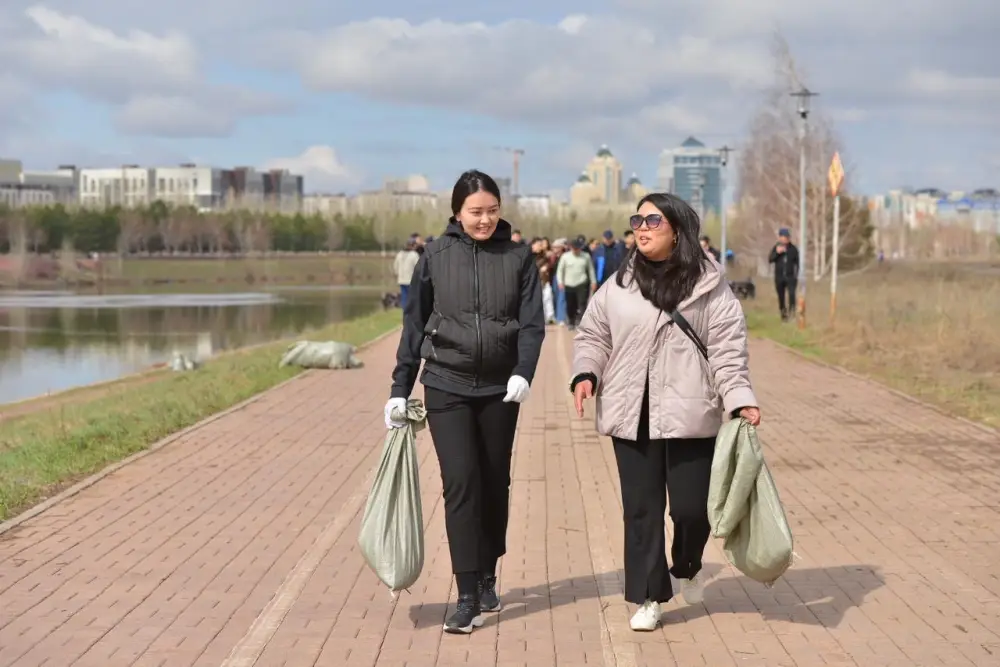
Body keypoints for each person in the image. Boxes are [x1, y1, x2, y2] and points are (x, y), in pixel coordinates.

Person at [570, 192, 761, 632]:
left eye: (653, 220)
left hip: (691, 412)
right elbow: (593, 335)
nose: (641, 227)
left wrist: (740, 397)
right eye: (637, 219)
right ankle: (650, 596)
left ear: (677, 230)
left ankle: (689, 563)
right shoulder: (618, 284)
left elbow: (728, 351)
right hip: (630, 410)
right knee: (641, 509)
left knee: (692, 511)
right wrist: (585, 372)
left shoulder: (711, 286)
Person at [385, 169, 545, 635]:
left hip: (500, 389)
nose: (485, 220)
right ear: (457, 212)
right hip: (446, 383)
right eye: (476, 212)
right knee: (461, 483)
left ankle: (490, 569)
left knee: (495, 482)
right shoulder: (435, 256)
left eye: (492, 211)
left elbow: (532, 323)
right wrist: (399, 389)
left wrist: (524, 372)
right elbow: (413, 325)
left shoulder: (517, 257)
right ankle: (467, 594)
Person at [556, 237, 596, 329]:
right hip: (569, 284)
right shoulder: (565, 257)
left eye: (578, 248)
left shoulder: (586, 256)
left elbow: (590, 270)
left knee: (582, 303)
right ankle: (571, 321)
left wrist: (593, 281)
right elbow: (560, 271)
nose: (576, 250)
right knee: (570, 304)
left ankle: (581, 322)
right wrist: (560, 282)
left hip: (581, 283)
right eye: (574, 248)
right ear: (571, 247)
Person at [768, 228, 800, 321]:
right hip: (779, 277)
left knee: (791, 294)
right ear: (779, 238)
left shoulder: (793, 249)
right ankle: (783, 314)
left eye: (786, 237)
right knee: (781, 296)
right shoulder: (776, 247)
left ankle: (792, 313)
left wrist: (796, 275)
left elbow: (797, 263)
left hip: (790, 277)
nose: (784, 239)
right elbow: (770, 259)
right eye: (782, 237)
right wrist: (777, 253)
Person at [392, 240, 420, 309]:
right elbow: (418, 267)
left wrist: (397, 274)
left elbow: (395, 266)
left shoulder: (399, 254)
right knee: (412, 296)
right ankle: (411, 310)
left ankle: (405, 310)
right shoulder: (414, 255)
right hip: (411, 280)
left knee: (404, 296)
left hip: (401, 280)